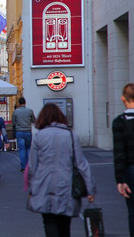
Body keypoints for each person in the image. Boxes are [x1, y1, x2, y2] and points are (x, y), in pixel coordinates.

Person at [27, 103, 96, 236]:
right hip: (66, 185)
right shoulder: (71, 136)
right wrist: (90, 188)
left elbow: (33, 166)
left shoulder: (39, 136)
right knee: (65, 224)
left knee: (49, 222)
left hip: (44, 186)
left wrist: (31, 189)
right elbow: (81, 164)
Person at [113, 83, 134, 236]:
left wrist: (120, 179)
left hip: (131, 170)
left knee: (132, 211)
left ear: (123, 99)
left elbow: (119, 152)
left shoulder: (120, 122)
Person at [12, 97, 36, 171]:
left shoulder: (15, 112)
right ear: (25, 103)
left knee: (22, 150)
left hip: (19, 132)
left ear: (19, 103)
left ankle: (23, 167)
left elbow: (13, 122)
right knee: (28, 148)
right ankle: (29, 166)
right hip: (28, 131)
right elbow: (34, 120)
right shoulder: (30, 111)